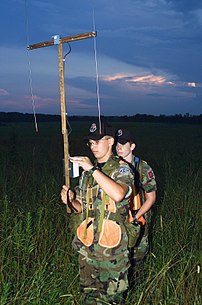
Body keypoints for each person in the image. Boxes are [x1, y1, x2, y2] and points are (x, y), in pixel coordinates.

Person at [61, 122, 134, 305]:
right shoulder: (87, 174)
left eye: (97, 141)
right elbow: (82, 208)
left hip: (112, 252)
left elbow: (118, 194)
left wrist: (92, 169)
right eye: (90, 142)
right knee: (88, 298)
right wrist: (70, 200)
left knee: (111, 300)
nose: (92, 146)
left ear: (110, 141)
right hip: (88, 250)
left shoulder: (122, 169)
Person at [115, 128, 157, 285]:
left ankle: (137, 287)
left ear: (132, 146)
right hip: (119, 216)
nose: (119, 147)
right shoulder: (113, 166)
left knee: (138, 256)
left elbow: (151, 198)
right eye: (117, 143)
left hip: (138, 217)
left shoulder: (143, 168)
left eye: (123, 144)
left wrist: (136, 216)